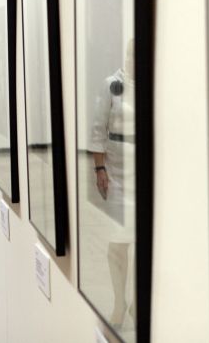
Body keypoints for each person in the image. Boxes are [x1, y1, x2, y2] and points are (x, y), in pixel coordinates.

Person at [90, 40, 137, 329]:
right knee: (118, 242)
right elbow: (98, 130)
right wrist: (100, 168)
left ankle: (137, 303)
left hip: (147, 172)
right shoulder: (112, 85)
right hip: (118, 173)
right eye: (132, 54)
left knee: (144, 240)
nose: (135, 60)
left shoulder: (154, 85)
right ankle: (119, 303)